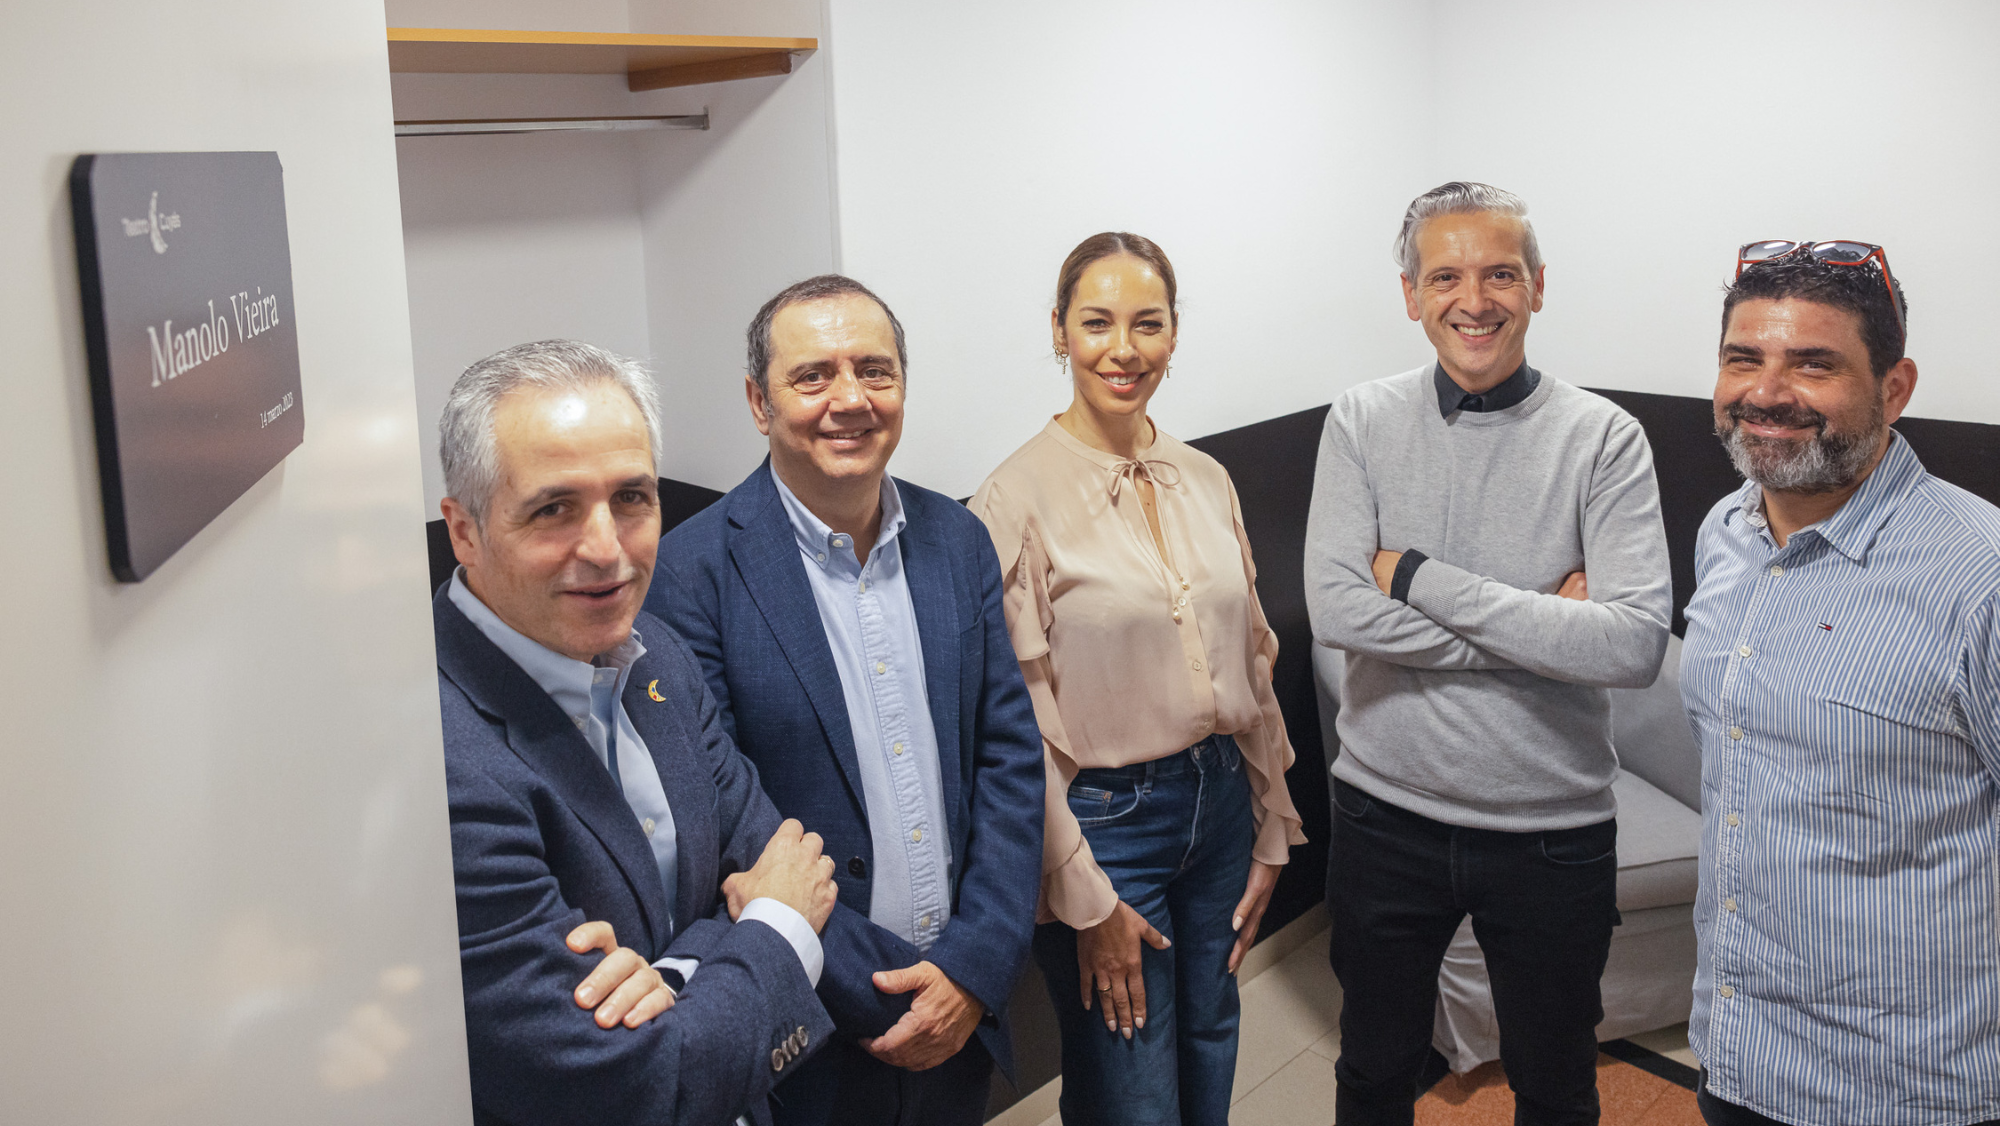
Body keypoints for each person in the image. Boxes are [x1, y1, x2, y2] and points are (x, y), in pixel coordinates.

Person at [1304, 182, 1671, 1125]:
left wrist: (1420, 575)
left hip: (1553, 833)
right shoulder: (1360, 421)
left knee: (1556, 1086)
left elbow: (1630, 643)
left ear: (1538, 287)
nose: (1475, 299)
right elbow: (1337, 609)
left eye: (1501, 273)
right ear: (1410, 294)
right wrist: (1544, 629)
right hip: (1385, 814)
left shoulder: (1606, 439)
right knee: (1374, 1073)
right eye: (1447, 276)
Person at [645, 276, 1045, 1126]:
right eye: (813, 376)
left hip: (961, 1002)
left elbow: (1007, 757)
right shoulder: (691, 574)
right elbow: (724, 824)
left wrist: (973, 969)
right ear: (759, 401)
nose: (850, 400)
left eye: (874, 369)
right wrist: (889, 995)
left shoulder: (958, 538)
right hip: (816, 1023)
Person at [433, 339, 844, 1126]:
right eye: (553, 508)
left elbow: (769, 851)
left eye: (632, 497)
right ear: (464, 531)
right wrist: (772, 924)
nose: (607, 549)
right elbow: (634, 1088)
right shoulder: (444, 763)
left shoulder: (658, 653)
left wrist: (676, 977)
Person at [969, 232, 1307, 1126]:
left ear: (1172, 334)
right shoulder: (1013, 499)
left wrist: (1272, 820)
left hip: (1221, 800)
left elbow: (1255, 660)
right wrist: (1081, 891)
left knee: (1210, 1041)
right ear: (1059, 331)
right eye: (1098, 322)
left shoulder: (1205, 476)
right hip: (1105, 827)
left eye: (1147, 324)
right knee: (1131, 1087)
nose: (1125, 348)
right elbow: (1015, 722)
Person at [1683, 243, 2000, 1126]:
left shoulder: (1982, 580)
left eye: (1813, 364)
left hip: (1908, 1088)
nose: (1766, 391)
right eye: (1743, 358)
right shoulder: (1725, 531)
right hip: (1737, 1048)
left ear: (1894, 389)